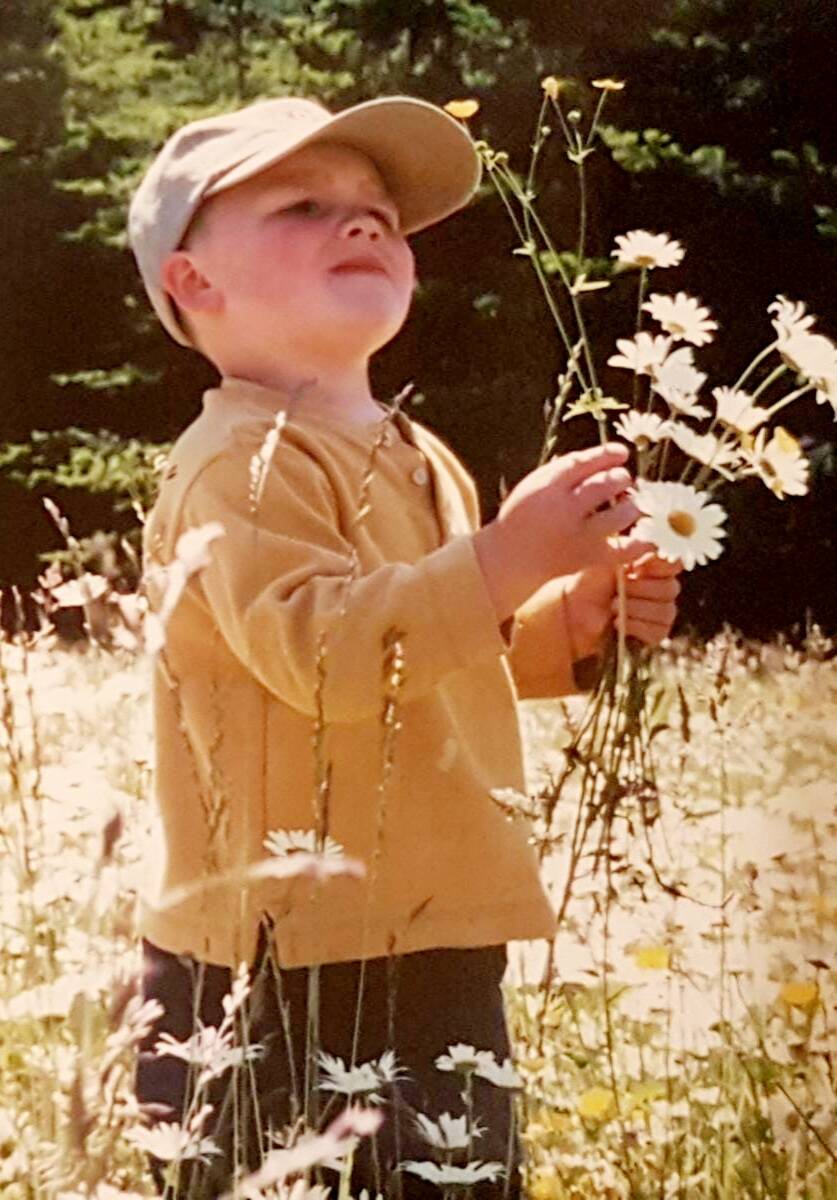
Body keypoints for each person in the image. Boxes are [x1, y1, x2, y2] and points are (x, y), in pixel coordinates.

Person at [127, 94, 681, 1198]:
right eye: (304, 205)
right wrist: (509, 558)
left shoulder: (418, 451)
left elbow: (426, 655)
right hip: (277, 963)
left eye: (380, 211)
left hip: (430, 930)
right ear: (193, 283)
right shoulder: (239, 461)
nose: (364, 224)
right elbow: (326, 655)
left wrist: (554, 630)